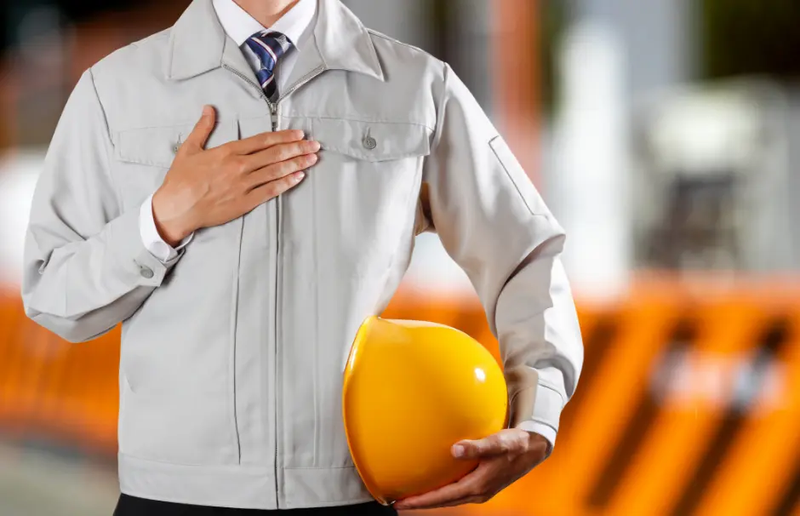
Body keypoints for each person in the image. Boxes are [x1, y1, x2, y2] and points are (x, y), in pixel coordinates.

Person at [20, 0, 584, 514]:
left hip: (351, 492)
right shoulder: (115, 90)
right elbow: (53, 294)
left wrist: (537, 412)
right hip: (170, 497)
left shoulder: (416, 87)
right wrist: (163, 220)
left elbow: (524, 253)